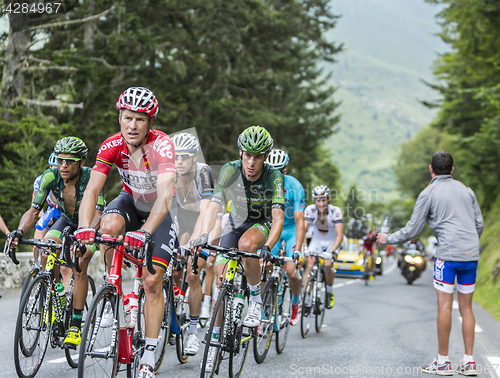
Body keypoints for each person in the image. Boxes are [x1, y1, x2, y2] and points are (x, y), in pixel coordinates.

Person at [76, 87, 177, 378]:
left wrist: (144, 232)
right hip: (130, 202)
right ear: (119, 119)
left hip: (159, 211)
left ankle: (148, 354)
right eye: (127, 118)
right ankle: (113, 292)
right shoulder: (111, 145)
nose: (132, 125)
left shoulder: (162, 146)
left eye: (140, 120)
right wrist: (84, 227)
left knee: (152, 280)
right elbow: (92, 190)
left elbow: (166, 196)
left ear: (150, 123)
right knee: (107, 228)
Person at [377, 151, 483, 376]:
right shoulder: (467, 190)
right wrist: (469, 245)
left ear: (431, 169)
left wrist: (389, 238)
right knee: (466, 307)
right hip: (471, 255)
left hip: (447, 256)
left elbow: (413, 230)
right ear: (452, 170)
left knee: (445, 306)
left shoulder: (428, 192)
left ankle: (443, 362)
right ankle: (469, 362)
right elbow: (479, 224)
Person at [191, 125, 285, 372]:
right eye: (247, 155)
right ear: (241, 153)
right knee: (222, 282)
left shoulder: (274, 175)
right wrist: (203, 234)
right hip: (236, 220)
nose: (251, 162)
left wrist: (268, 246)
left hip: (261, 222)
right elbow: (213, 207)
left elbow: (277, 218)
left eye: (257, 157)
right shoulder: (230, 169)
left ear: (265, 157)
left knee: (247, 246)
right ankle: (213, 346)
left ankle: (254, 298)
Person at [8, 137, 104, 347]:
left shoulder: (92, 177)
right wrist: (19, 231)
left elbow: (98, 213)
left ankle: (76, 326)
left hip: (87, 223)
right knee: (46, 248)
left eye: (69, 161)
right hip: (66, 219)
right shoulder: (50, 176)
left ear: (81, 162)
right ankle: (58, 292)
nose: (63, 165)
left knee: (80, 263)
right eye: (60, 160)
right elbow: (34, 211)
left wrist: (87, 233)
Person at [171, 132, 215, 356]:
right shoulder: (170, 172)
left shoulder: (204, 172)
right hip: (182, 218)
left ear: (194, 157)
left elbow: (207, 211)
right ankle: (173, 310)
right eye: (176, 157)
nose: (179, 161)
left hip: (205, 219)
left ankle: (193, 332)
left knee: (192, 274)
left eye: (184, 157)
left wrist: (196, 241)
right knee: (174, 269)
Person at [266, 148, 305, 325]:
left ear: (286, 170)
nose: (276, 175)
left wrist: (299, 249)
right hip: (272, 228)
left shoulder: (295, 186)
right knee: (263, 265)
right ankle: (264, 309)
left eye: (279, 171)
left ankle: (295, 302)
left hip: (290, 230)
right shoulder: (262, 184)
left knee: (291, 271)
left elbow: (299, 220)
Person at [303, 185, 343, 310]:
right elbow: (303, 231)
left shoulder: (335, 211)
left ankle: (329, 291)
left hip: (332, 241)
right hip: (317, 241)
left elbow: (339, 235)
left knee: (327, 263)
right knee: (309, 264)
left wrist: (331, 251)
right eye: (318, 200)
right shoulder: (310, 210)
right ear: (314, 200)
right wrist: (304, 247)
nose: (321, 204)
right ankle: (306, 297)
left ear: (328, 199)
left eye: (324, 200)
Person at [32, 152, 62, 263]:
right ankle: (37, 269)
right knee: (37, 242)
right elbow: (35, 206)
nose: (53, 171)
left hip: (65, 216)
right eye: (51, 167)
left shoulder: (66, 181)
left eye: (56, 168)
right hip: (50, 213)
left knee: (57, 249)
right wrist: (43, 216)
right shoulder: (41, 181)